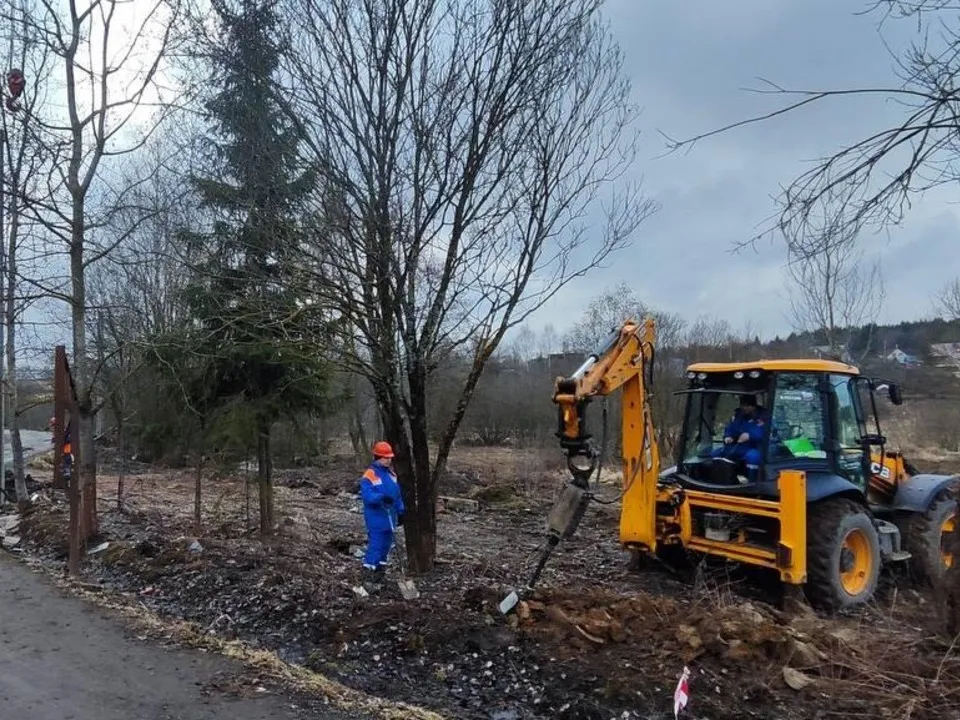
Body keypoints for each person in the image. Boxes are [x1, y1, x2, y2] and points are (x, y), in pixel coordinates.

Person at [358, 441, 405, 591]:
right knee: (376, 547)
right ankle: (368, 579)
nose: (389, 460)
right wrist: (380, 497)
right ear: (378, 457)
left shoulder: (392, 475)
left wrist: (401, 511)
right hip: (376, 518)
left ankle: (379, 578)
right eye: (386, 457)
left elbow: (397, 496)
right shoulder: (369, 475)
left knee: (385, 548)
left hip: (390, 518)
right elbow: (367, 496)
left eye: (390, 457)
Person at [711, 394, 768, 474]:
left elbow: (766, 432)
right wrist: (728, 436)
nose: (743, 408)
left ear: (752, 406)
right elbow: (730, 428)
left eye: (745, 406)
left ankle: (751, 481)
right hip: (737, 446)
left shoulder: (764, 416)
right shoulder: (738, 415)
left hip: (756, 447)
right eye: (742, 405)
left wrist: (750, 436)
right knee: (714, 454)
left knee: (753, 457)